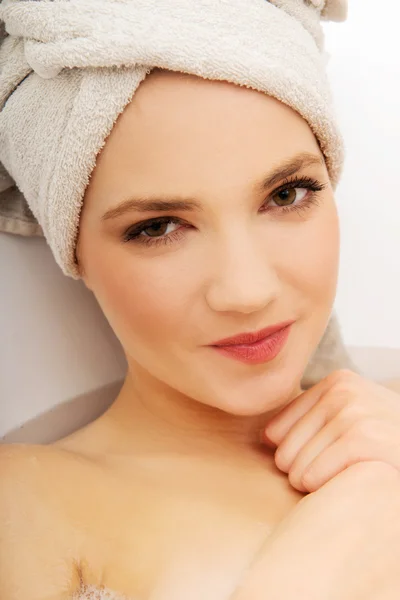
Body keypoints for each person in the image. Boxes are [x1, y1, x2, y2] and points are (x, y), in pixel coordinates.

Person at [1, 1, 400, 599]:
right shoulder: (25, 504)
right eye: (158, 227)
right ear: (75, 252)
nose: (247, 291)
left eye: (288, 194)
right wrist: (358, 521)